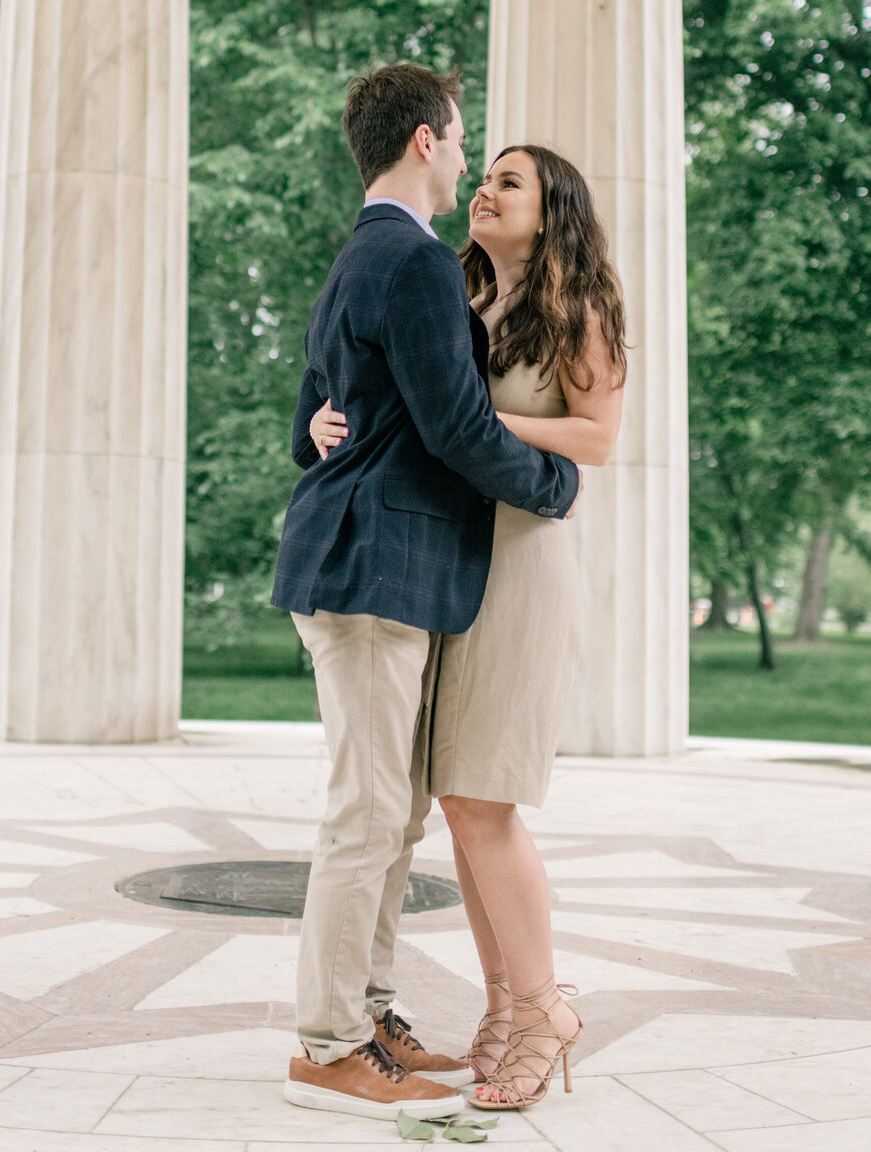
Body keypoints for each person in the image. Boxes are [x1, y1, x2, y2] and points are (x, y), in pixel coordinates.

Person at [272, 66, 581, 1125]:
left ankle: (371, 1014)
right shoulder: (410, 260)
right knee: (368, 816)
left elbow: (322, 395)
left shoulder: (368, 252)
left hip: (382, 568)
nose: (466, 161)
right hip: (371, 570)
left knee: (392, 814)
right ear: (422, 140)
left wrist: (308, 431)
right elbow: (454, 427)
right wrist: (557, 482)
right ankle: (327, 1045)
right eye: (459, 144)